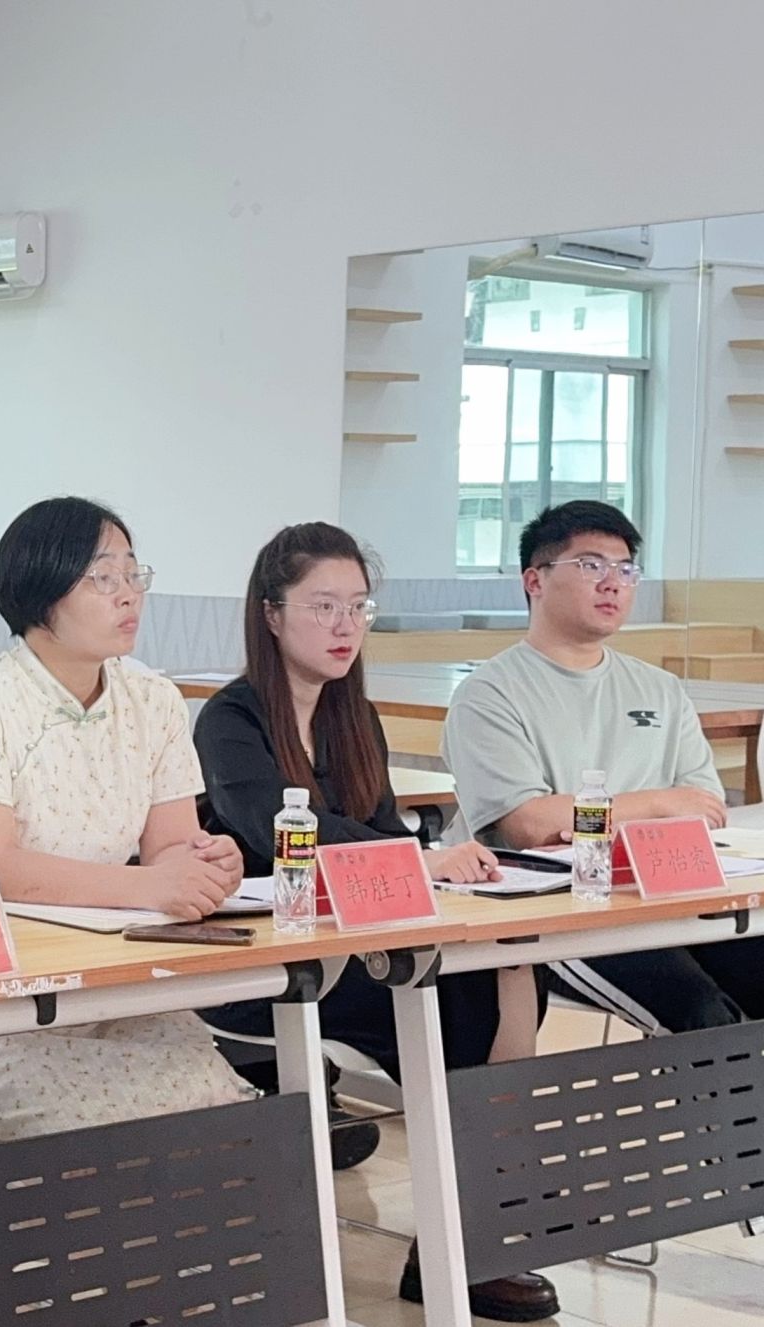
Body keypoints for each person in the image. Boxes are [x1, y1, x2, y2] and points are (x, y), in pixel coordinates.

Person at [193, 522, 555, 1323]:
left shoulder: (353, 715)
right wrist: (421, 858)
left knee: (510, 977)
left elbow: (383, 834)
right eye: (323, 605)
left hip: (352, 948)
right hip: (268, 963)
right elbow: (278, 833)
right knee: (461, 1002)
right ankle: (468, 1231)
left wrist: (430, 867)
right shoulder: (230, 717)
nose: (345, 625)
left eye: (358, 606)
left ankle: (471, 1224)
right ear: (272, 613)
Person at [0, 497, 252, 1141]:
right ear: (41, 592)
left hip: (118, 983)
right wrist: (152, 886)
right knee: (141, 1118)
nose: (129, 594)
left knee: (221, 1105)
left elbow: (173, 849)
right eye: (103, 577)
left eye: (133, 573)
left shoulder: (153, 698)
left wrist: (206, 866)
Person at [444, 501, 756, 1033]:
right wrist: (657, 804)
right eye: (590, 565)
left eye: (626, 569)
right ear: (534, 581)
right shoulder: (490, 694)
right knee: (702, 1014)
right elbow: (529, 824)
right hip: (560, 912)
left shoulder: (660, 688)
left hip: (667, 894)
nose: (613, 582)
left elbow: (704, 810)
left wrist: (590, 817)